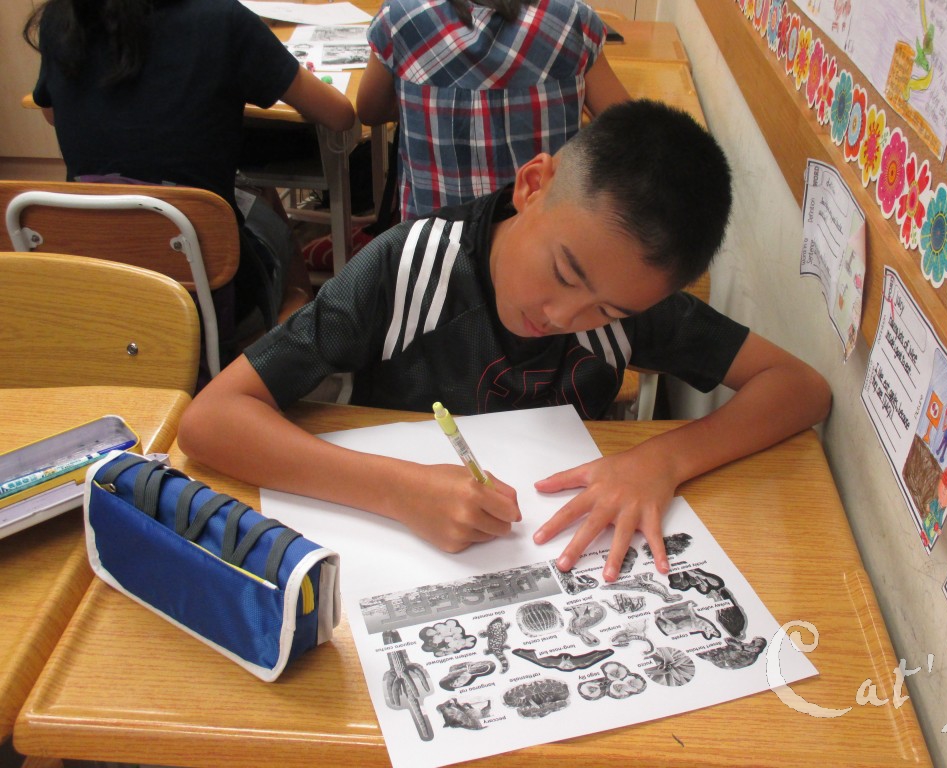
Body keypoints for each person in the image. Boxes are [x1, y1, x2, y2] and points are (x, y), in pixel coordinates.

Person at [178, 99, 832, 583]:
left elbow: (799, 388)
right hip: (393, 555)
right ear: (532, 186)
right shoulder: (407, 266)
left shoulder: (628, 301)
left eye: (607, 309)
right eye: (564, 273)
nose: (566, 315)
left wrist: (661, 459)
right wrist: (395, 489)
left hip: (543, 559)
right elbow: (211, 421)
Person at [22, 0, 355, 365]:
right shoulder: (222, 20)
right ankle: (287, 349)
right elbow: (339, 115)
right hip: (208, 290)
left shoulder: (64, 18)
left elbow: (51, 113)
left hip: (97, 283)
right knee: (265, 206)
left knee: (242, 202)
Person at [356, 0, 630, 221]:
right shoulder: (571, 20)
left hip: (435, 247)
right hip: (542, 242)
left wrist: (425, 101)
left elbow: (369, 111)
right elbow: (627, 128)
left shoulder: (402, 17)